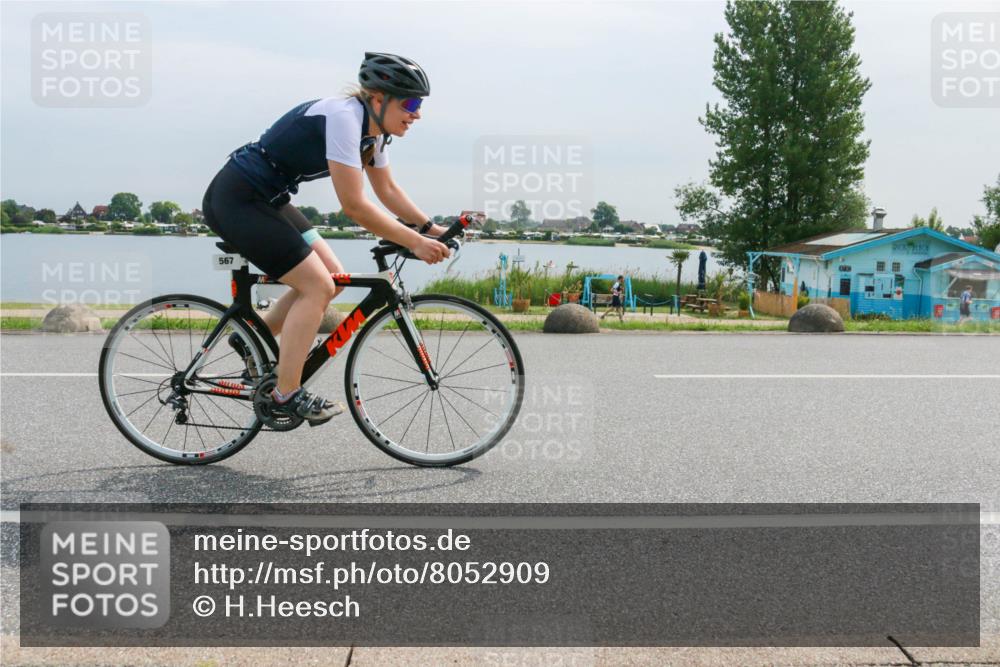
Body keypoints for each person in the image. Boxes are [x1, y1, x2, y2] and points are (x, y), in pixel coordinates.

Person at [202, 52, 450, 425]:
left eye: (420, 105)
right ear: (378, 98)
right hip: (238, 197)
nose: (416, 114)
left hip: (269, 197)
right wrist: (413, 242)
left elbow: (388, 191)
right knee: (316, 286)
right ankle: (287, 392)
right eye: (411, 103)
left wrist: (430, 229)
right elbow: (355, 206)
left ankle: (253, 337)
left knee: (331, 278)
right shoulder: (344, 118)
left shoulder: (373, 134)